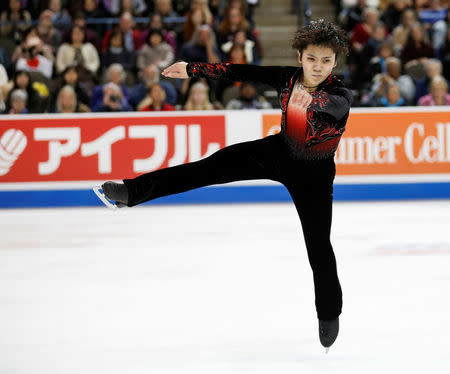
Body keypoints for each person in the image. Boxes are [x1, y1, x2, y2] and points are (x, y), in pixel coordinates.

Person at [99, 19, 352, 350]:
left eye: (326, 61)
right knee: (209, 167)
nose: (318, 67)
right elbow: (240, 72)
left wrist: (311, 102)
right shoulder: (286, 78)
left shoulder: (340, 93)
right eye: (311, 59)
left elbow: (335, 107)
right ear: (300, 56)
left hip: (315, 176)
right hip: (277, 153)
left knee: (319, 246)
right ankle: (130, 192)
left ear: (335, 62)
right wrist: (192, 68)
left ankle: (329, 312)